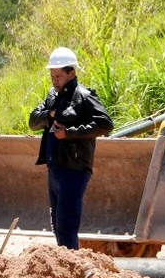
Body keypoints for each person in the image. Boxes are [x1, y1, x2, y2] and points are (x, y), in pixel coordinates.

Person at [28, 47, 114, 250]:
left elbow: (106, 124)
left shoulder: (84, 96)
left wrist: (70, 133)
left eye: (58, 76)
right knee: (58, 225)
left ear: (71, 73)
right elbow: (33, 121)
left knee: (66, 226)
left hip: (74, 169)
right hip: (55, 167)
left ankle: (72, 270)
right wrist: (49, 114)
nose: (54, 80)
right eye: (52, 76)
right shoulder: (52, 96)